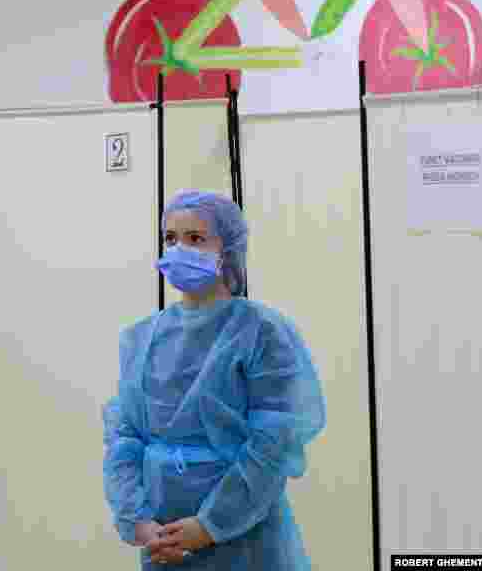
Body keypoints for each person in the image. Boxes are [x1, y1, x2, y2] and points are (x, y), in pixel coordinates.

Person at [102, 189, 326, 569]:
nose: (178, 249)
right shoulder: (140, 338)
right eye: (170, 238)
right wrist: (138, 521)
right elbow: (124, 438)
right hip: (163, 540)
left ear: (228, 250)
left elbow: (272, 445)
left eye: (195, 239)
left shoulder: (262, 332)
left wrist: (210, 525)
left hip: (245, 537)